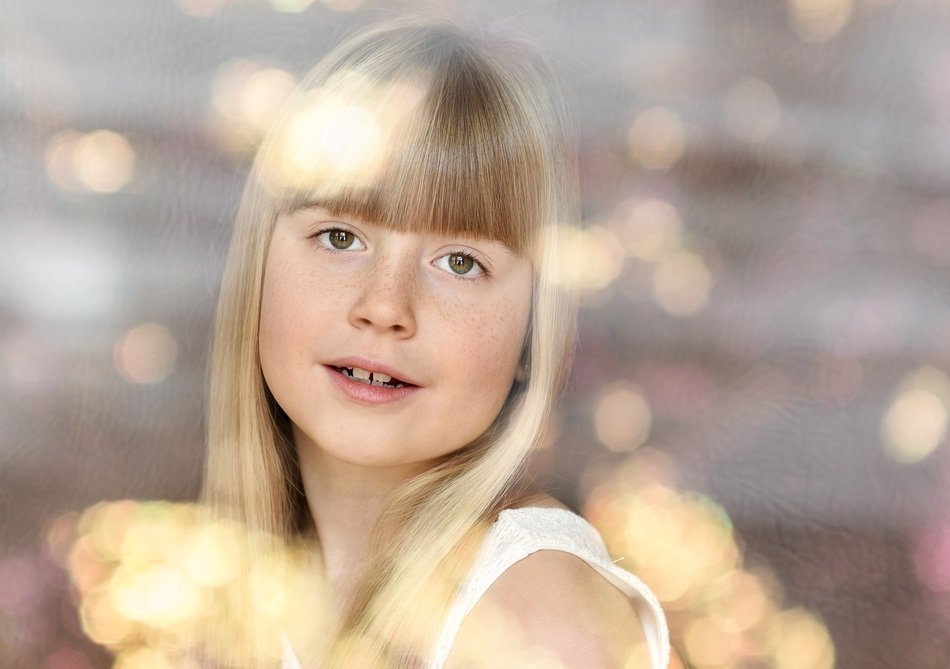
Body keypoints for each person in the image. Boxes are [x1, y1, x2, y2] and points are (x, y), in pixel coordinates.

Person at [200, 17, 669, 669]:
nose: (385, 307)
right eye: (341, 237)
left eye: (459, 262)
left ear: (533, 333)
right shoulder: (236, 598)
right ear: (258, 269)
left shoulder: (528, 601)